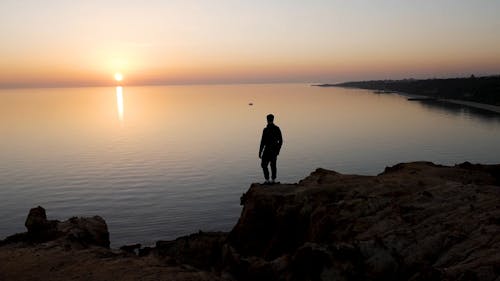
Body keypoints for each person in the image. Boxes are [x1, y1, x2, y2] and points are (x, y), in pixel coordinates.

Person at [259, 114, 283, 184]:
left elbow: (280, 141)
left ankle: (271, 180)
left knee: (271, 165)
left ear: (268, 120)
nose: (269, 121)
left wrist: (277, 150)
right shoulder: (266, 129)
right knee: (266, 165)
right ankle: (270, 180)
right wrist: (260, 152)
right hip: (269, 150)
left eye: (269, 119)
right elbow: (263, 141)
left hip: (271, 150)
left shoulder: (275, 129)